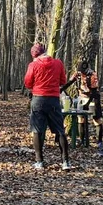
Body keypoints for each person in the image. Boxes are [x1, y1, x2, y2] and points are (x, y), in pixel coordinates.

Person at [23, 43, 73, 171]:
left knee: (37, 130)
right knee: (60, 130)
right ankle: (65, 161)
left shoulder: (33, 65)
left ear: (35, 55)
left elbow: (28, 82)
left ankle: (39, 162)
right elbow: (63, 81)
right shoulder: (58, 63)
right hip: (54, 100)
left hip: (38, 99)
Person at [63, 58, 103, 150]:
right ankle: (82, 140)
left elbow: (94, 92)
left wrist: (89, 103)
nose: (82, 74)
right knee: (80, 119)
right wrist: (61, 89)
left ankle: (100, 142)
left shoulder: (92, 75)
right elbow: (69, 82)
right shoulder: (77, 74)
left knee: (96, 120)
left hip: (92, 99)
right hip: (81, 98)